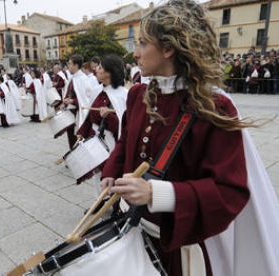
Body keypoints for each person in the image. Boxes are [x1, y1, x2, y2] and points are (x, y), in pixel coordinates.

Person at [100, 0, 279, 275]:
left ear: (169, 48)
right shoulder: (138, 95)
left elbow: (229, 191)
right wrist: (110, 172)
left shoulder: (214, 106)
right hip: (133, 232)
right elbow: (125, 141)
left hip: (180, 249)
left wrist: (155, 193)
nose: (135, 54)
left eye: (144, 44)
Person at [77, 54, 128, 192]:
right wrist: (82, 132)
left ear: (108, 72)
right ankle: (100, 201)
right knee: (97, 173)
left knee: (111, 173)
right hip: (96, 138)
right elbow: (89, 117)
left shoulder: (123, 95)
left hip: (111, 142)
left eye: (100, 67)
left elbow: (126, 127)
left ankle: (115, 204)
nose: (96, 70)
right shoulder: (97, 90)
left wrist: (109, 117)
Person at [58, 54, 92, 149]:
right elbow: (69, 93)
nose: (68, 66)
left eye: (69, 64)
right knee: (71, 138)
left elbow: (86, 100)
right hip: (70, 113)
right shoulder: (72, 78)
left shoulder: (83, 79)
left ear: (76, 65)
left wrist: (73, 101)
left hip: (77, 114)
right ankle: (73, 157)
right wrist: (64, 103)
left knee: (77, 138)